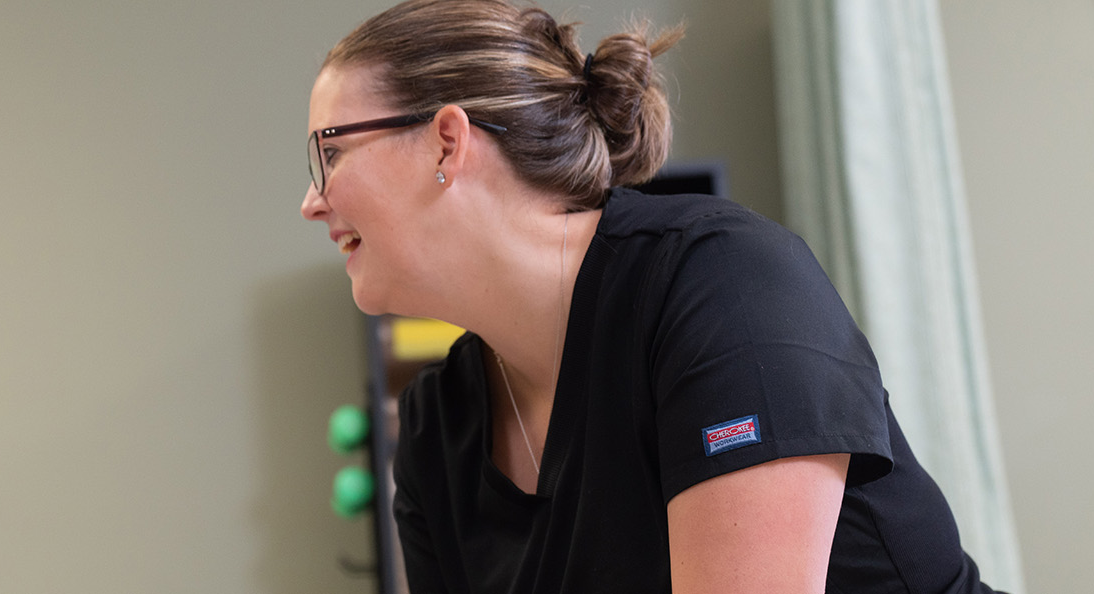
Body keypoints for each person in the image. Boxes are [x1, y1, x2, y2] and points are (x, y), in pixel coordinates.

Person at [298, 1, 1001, 593]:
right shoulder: (435, 430)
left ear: (447, 144)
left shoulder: (723, 284)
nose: (311, 202)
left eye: (330, 154)